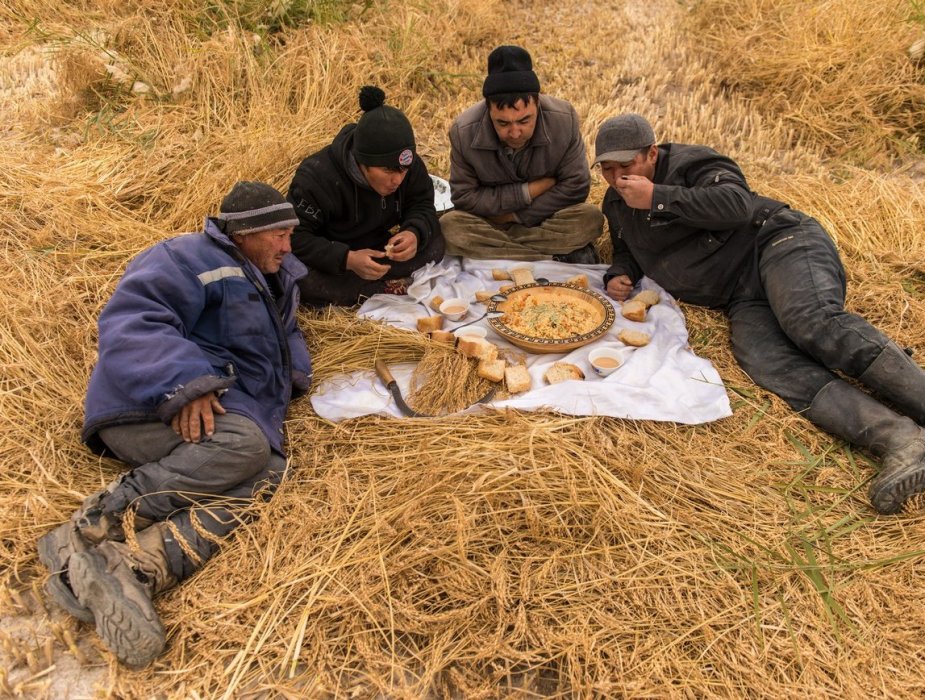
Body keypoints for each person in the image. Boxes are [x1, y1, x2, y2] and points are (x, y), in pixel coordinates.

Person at [594, 113, 925, 515]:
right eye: (608, 170)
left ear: (651, 153)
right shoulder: (616, 202)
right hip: (739, 294)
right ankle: (906, 442)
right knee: (767, 361)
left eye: (626, 166)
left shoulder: (692, 164)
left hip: (778, 243)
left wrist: (658, 196)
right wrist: (621, 273)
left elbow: (735, 204)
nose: (617, 178)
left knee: (810, 322)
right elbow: (629, 246)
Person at [37, 181, 312, 668]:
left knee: (271, 472)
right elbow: (133, 321)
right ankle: (96, 523)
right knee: (247, 446)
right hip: (145, 406)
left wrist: (293, 375)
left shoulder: (275, 273)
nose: (288, 246)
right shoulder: (186, 257)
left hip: (222, 406)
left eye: (290, 233)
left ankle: (139, 564)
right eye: (278, 235)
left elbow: (286, 330)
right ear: (245, 234)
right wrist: (188, 383)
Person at [440, 45, 604, 263]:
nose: (515, 133)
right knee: (450, 227)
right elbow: (464, 197)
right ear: (488, 109)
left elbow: (576, 186)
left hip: (542, 218)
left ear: (537, 102)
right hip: (491, 224)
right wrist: (528, 191)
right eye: (503, 123)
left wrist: (515, 216)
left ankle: (502, 252)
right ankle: (550, 257)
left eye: (524, 120)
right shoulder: (463, 131)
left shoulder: (564, 119)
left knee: (590, 218)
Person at [288, 85, 445, 305]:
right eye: (388, 171)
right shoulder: (316, 177)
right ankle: (380, 285)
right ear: (362, 162)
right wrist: (347, 259)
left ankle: (372, 286)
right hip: (335, 253)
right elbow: (295, 237)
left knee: (436, 241)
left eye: (403, 171)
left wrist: (414, 233)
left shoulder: (407, 164)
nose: (397, 180)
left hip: (378, 249)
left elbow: (422, 204)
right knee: (305, 281)